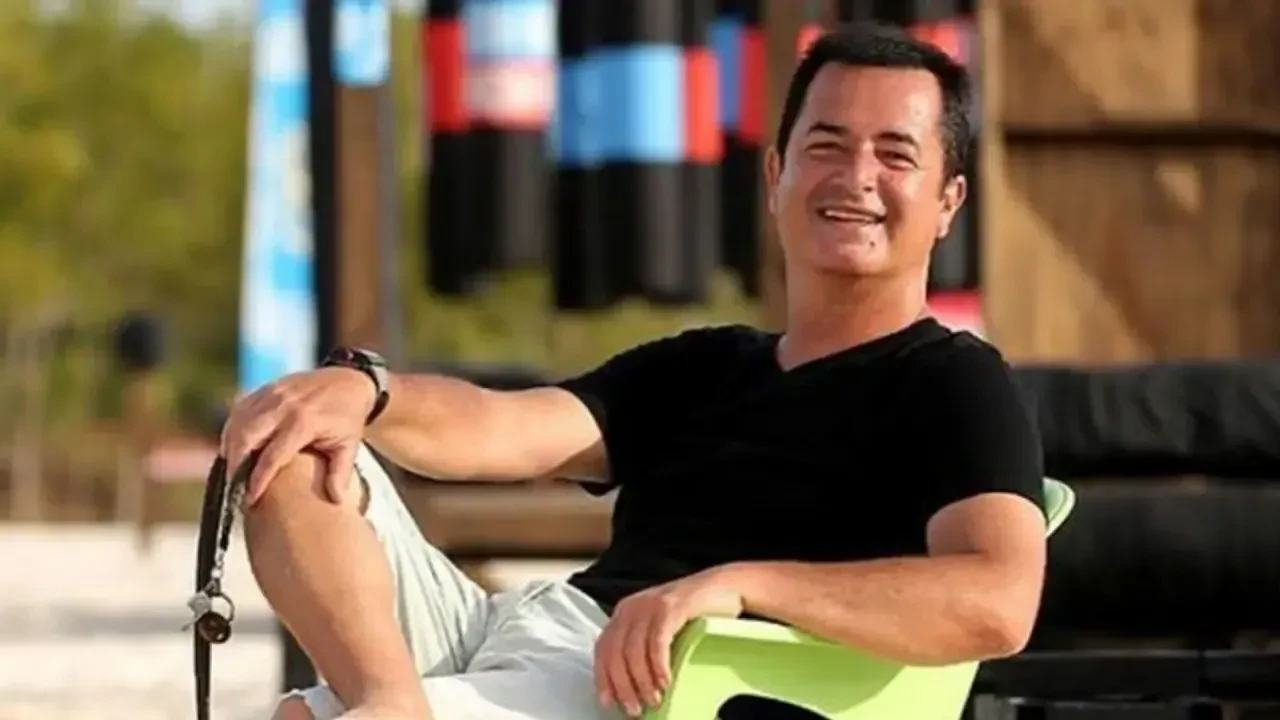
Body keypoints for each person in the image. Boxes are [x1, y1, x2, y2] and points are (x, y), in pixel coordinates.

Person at [224, 22, 1048, 720]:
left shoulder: (956, 383)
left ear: (948, 201)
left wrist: (740, 586)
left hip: (656, 683)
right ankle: (390, 702)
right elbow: (502, 429)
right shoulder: (705, 364)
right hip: (528, 626)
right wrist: (366, 392)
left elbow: (998, 603)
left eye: (895, 155)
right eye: (826, 145)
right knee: (288, 442)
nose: (856, 177)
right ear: (776, 176)